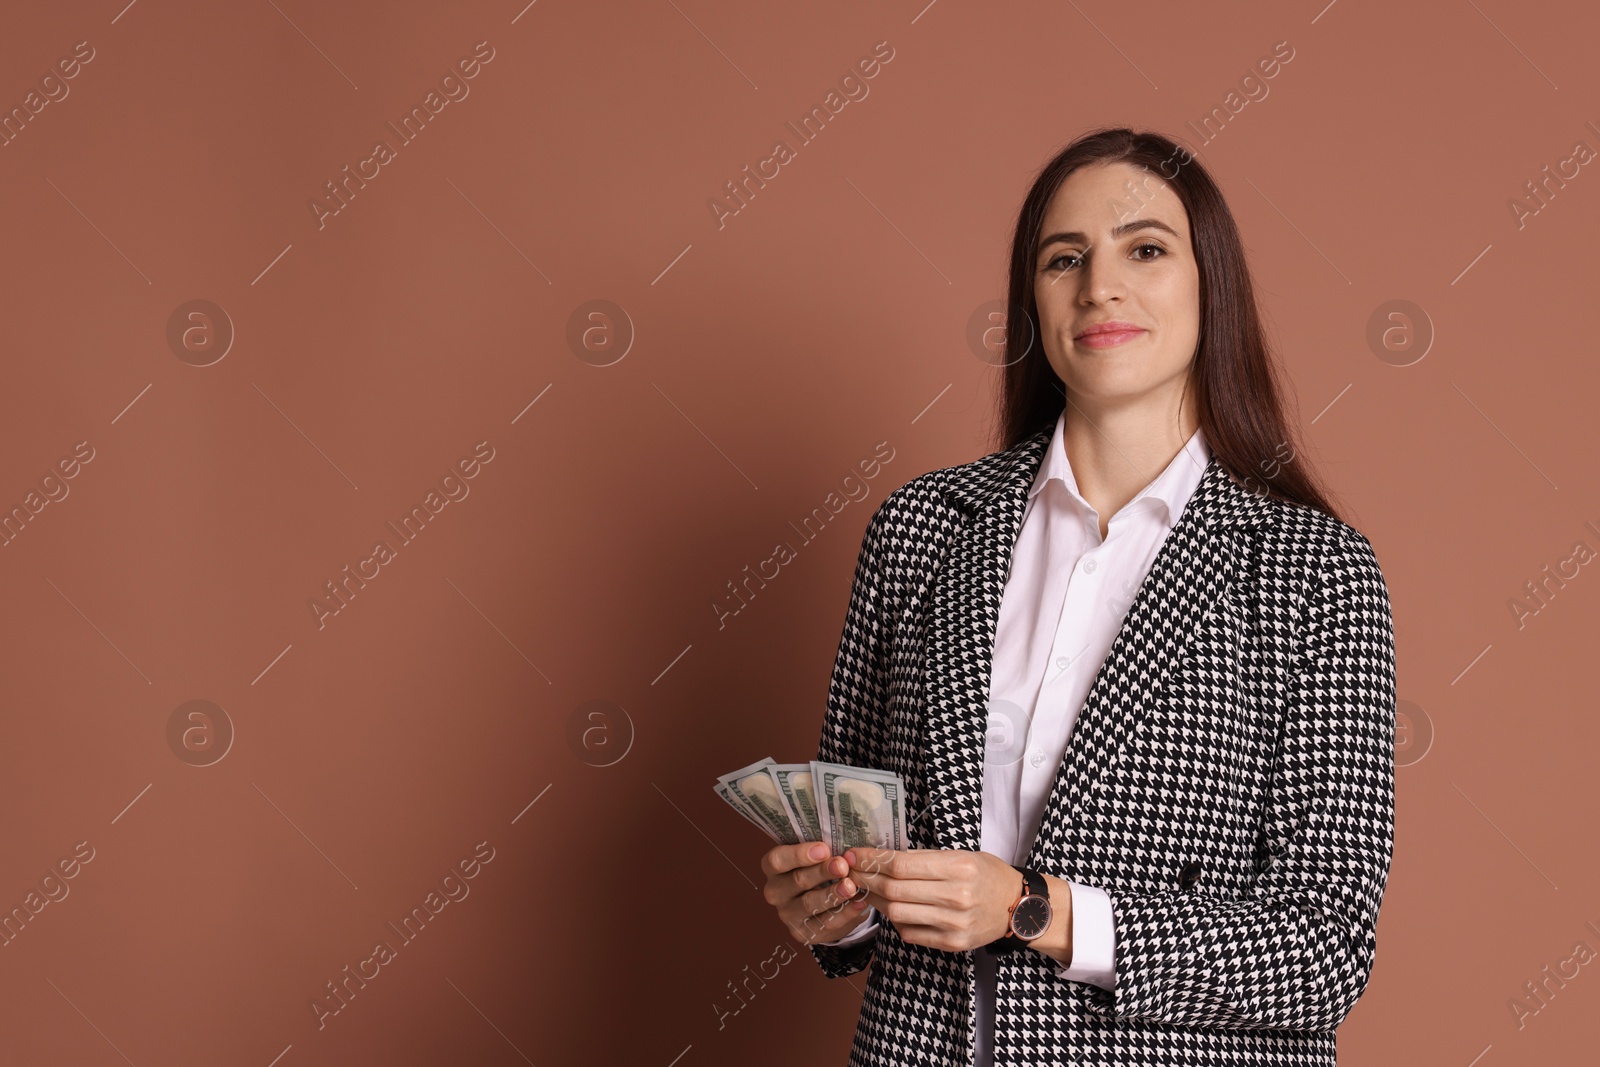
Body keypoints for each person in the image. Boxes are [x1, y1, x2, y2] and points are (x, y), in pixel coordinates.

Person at [758, 127, 1397, 1065]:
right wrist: (830, 910)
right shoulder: (923, 528)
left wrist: (1036, 909)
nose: (1100, 285)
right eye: (1066, 259)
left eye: (1145, 249)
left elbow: (1323, 950)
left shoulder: (1314, 570)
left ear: (1209, 284)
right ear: (1034, 300)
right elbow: (856, 850)